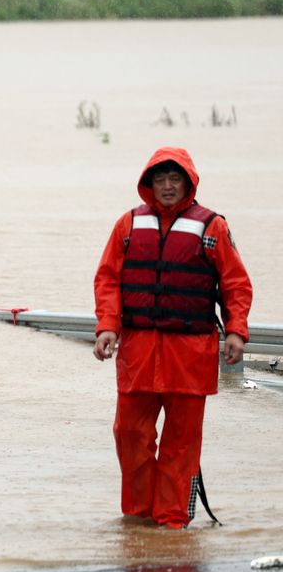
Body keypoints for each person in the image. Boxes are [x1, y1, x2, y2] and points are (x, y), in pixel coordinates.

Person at [92, 147, 251, 529]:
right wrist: (107, 327)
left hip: (190, 355)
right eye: (160, 180)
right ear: (149, 184)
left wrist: (236, 331)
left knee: (182, 444)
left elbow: (236, 284)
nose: (166, 186)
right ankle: (139, 518)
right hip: (138, 353)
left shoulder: (212, 228)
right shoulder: (127, 225)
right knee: (128, 434)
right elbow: (108, 279)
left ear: (188, 183)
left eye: (174, 179)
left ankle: (172, 522)